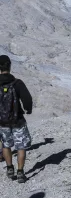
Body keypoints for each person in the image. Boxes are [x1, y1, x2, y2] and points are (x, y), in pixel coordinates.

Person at [0, 55, 33, 183]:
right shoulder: (17, 83)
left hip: (2, 122)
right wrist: (28, 109)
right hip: (17, 120)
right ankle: (20, 172)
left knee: (6, 145)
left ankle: (9, 168)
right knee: (21, 147)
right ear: (10, 66)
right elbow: (27, 99)